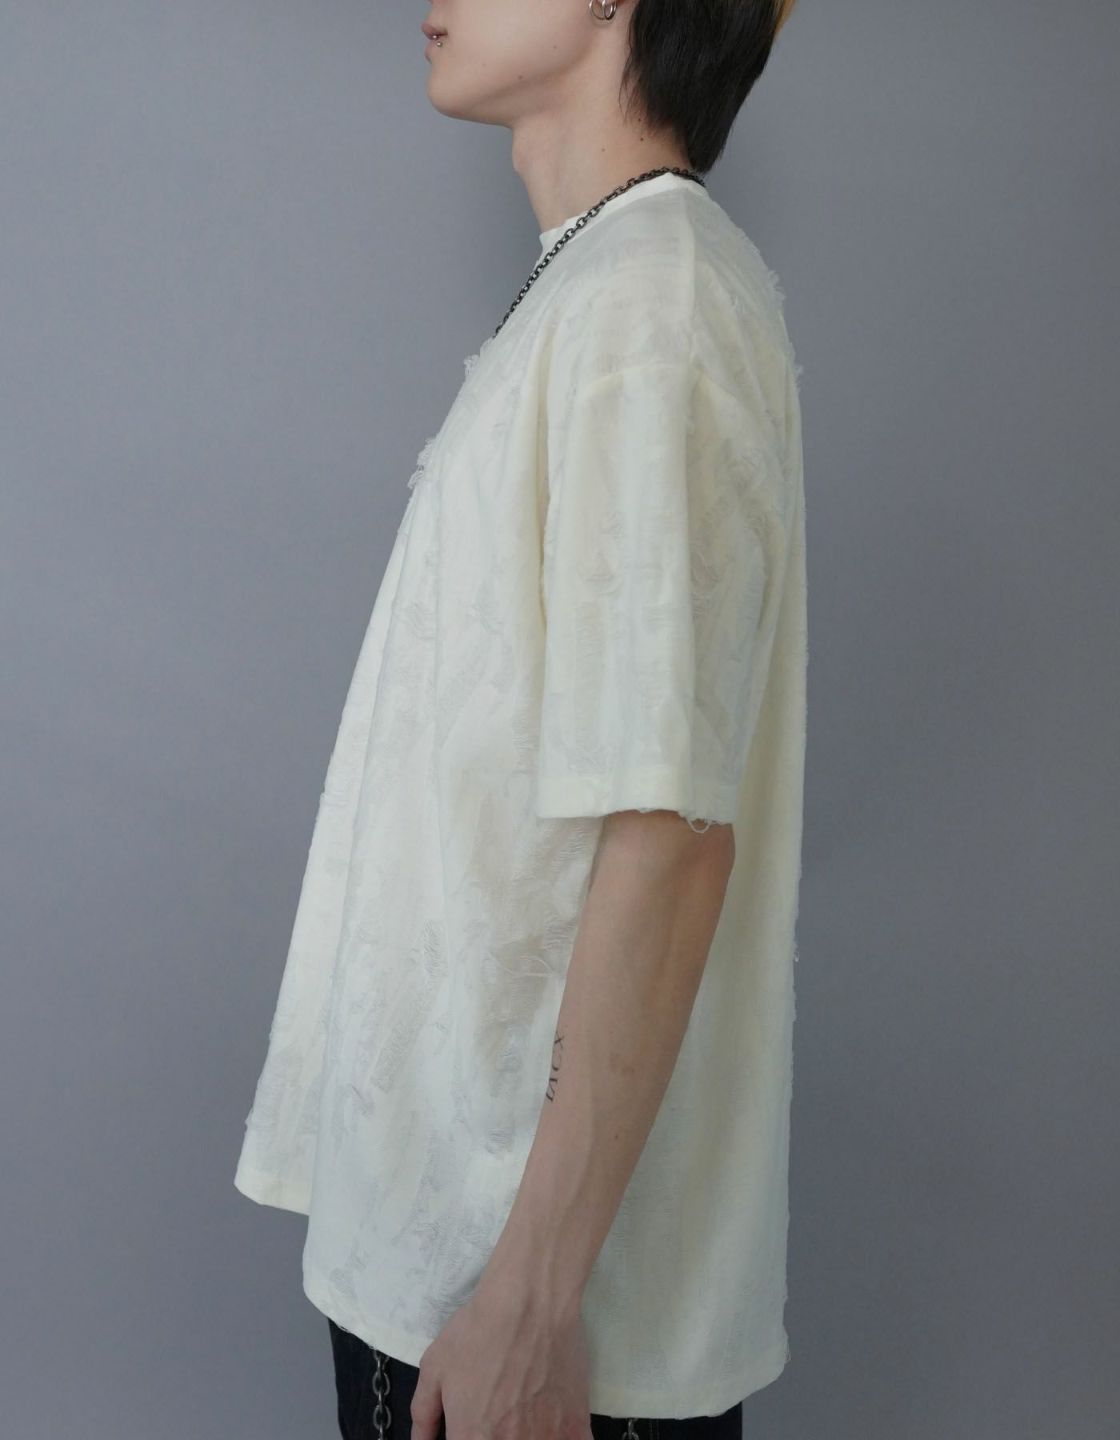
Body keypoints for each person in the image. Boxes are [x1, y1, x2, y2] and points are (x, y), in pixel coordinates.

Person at [234, 1, 807, 1437]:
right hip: (452, 1262)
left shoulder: (652, 308)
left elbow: (669, 833)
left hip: (520, 1313)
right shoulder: (603, 284)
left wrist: (535, 1301)